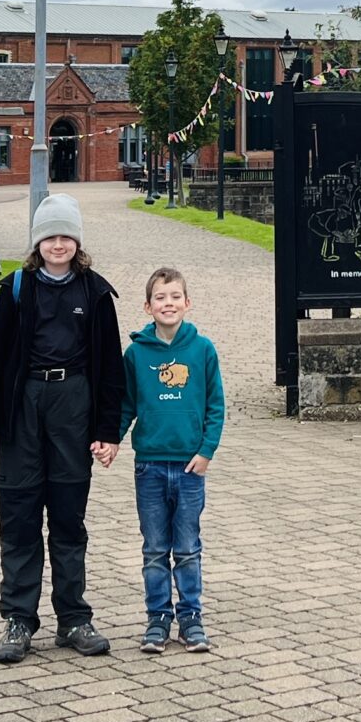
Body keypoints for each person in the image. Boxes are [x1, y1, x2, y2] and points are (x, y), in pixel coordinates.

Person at [0, 193, 125, 663]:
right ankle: (19, 619)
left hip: (72, 407)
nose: (59, 245)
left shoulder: (95, 292)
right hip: (23, 408)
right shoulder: (16, 290)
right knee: (18, 517)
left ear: (77, 242)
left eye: (67, 237)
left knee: (68, 519)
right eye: (51, 237)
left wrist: (108, 429)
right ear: (38, 243)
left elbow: (110, 369)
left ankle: (74, 618)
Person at [118, 265, 226, 654]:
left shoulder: (202, 350)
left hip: (189, 467)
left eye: (175, 296)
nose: (169, 303)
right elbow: (127, 404)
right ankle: (158, 617)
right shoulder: (136, 354)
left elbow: (216, 405)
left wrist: (206, 451)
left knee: (187, 546)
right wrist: (110, 440)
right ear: (148, 306)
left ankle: (191, 617)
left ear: (187, 302)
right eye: (160, 298)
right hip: (149, 464)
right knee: (154, 548)